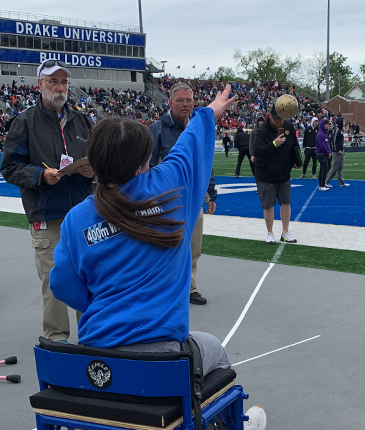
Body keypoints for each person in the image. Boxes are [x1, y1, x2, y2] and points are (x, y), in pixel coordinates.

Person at [46, 85, 266, 427]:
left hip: (96, 357)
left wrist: (99, 303)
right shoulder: (170, 189)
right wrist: (210, 111)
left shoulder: (77, 219)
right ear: (139, 167)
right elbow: (189, 147)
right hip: (160, 358)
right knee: (215, 349)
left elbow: (61, 285)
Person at [1, 60, 94, 342]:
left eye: (63, 82)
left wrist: (94, 169)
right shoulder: (24, 122)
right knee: (55, 281)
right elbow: (9, 168)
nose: (60, 87)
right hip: (47, 213)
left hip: (82, 212)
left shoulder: (81, 120)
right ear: (40, 85)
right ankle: (57, 341)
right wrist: (41, 175)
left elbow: (97, 159)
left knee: (89, 277)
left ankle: (92, 337)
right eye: (53, 81)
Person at [148, 83, 221, 306]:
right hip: (167, 202)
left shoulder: (198, 129)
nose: (185, 104)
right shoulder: (157, 129)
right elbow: (148, 166)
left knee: (193, 248)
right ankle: (164, 288)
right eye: (179, 100)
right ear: (170, 103)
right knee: (166, 246)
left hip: (195, 198)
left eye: (189, 100)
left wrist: (211, 194)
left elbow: (205, 164)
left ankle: (190, 288)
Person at [251, 96, 302, 244]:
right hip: (265, 174)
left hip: (284, 172)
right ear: (270, 117)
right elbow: (258, 151)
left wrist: (297, 161)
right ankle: (270, 233)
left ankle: (285, 232)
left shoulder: (289, 127)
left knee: (286, 202)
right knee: (268, 205)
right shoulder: (261, 131)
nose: (279, 121)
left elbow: (294, 145)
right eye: (276, 119)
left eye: (281, 119)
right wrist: (274, 144)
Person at [327, 117, 348, 187]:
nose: (344, 123)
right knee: (335, 167)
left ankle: (341, 182)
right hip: (337, 152)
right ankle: (326, 181)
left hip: (341, 151)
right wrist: (337, 150)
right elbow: (334, 141)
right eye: (343, 121)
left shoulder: (341, 130)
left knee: (340, 167)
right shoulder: (337, 130)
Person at [314, 117, 333, 191]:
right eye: (325, 124)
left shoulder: (325, 133)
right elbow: (322, 145)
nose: (326, 125)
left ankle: (321, 185)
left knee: (323, 169)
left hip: (323, 153)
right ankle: (322, 185)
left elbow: (327, 144)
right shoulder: (320, 134)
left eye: (327, 124)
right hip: (320, 153)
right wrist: (327, 152)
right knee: (325, 169)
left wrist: (329, 151)